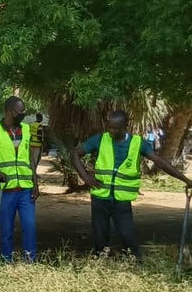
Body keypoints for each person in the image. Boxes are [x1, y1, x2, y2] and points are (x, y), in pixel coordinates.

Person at [71, 110, 192, 259]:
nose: (111, 131)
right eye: (110, 127)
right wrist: (85, 178)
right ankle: (100, 261)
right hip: (100, 197)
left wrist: (185, 180)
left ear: (125, 126)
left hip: (122, 199)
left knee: (127, 235)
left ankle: (134, 261)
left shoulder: (138, 143)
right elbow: (75, 154)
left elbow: (160, 162)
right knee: (100, 236)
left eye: (115, 128)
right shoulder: (100, 139)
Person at [0, 96, 39, 263]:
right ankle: (6, 260)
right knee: (6, 229)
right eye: (20, 111)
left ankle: (30, 260)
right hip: (5, 190)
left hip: (25, 189)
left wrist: (36, 183)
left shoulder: (26, 130)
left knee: (30, 226)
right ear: (10, 111)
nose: (23, 115)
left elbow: (30, 159)